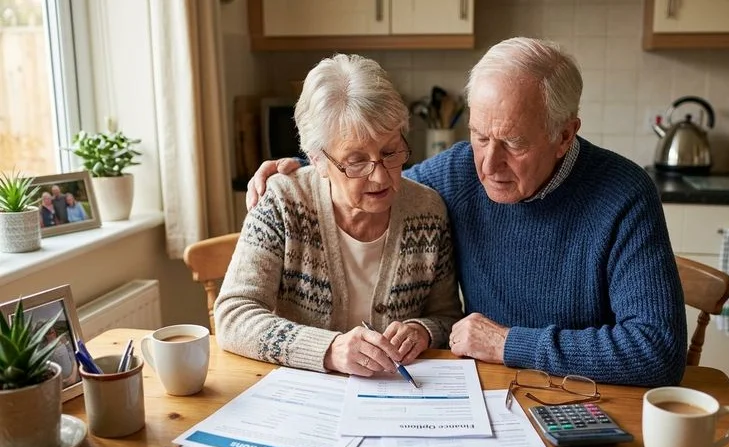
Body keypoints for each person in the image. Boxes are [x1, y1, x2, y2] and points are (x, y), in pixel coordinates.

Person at [245, 37, 687, 387]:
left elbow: (657, 351)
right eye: (479, 136)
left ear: (565, 135)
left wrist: (510, 343)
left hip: (583, 398)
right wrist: (309, 168)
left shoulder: (624, 195)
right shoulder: (459, 172)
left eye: (513, 144)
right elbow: (385, 177)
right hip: (489, 393)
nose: (489, 166)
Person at [216, 54, 462, 377]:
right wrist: (329, 350)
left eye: (390, 152)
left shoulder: (428, 212)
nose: (380, 176)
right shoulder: (281, 203)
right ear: (317, 160)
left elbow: (448, 318)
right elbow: (234, 315)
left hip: (397, 403)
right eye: (356, 161)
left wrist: (423, 330)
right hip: (303, 399)